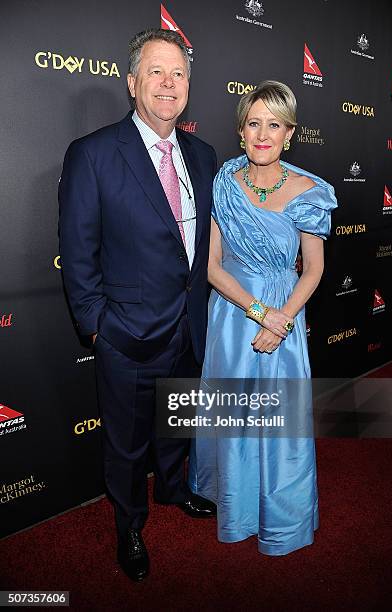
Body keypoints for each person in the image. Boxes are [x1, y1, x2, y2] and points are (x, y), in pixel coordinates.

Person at [58, 28, 217, 582]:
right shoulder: (94, 154)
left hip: (190, 327)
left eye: (178, 73)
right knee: (125, 446)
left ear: (189, 87)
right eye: (155, 71)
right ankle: (129, 524)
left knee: (177, 424)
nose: (168, 83)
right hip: (125, 335)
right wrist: (98, 327)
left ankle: (174, 489)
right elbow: (78, 255)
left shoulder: (204, 154)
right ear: (131, 83)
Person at [188, 80, 337, 555]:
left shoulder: (309, 191)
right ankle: (235, 506)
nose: (263, 133)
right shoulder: (225, 181)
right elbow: (211, 267)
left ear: (290, 132)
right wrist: (259, 313)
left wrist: (282, 319)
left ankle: (281, 518)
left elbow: (313, 269)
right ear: (241, 130)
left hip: (285, 319)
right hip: (233, 317)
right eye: (254, 123)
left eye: (274, 124)